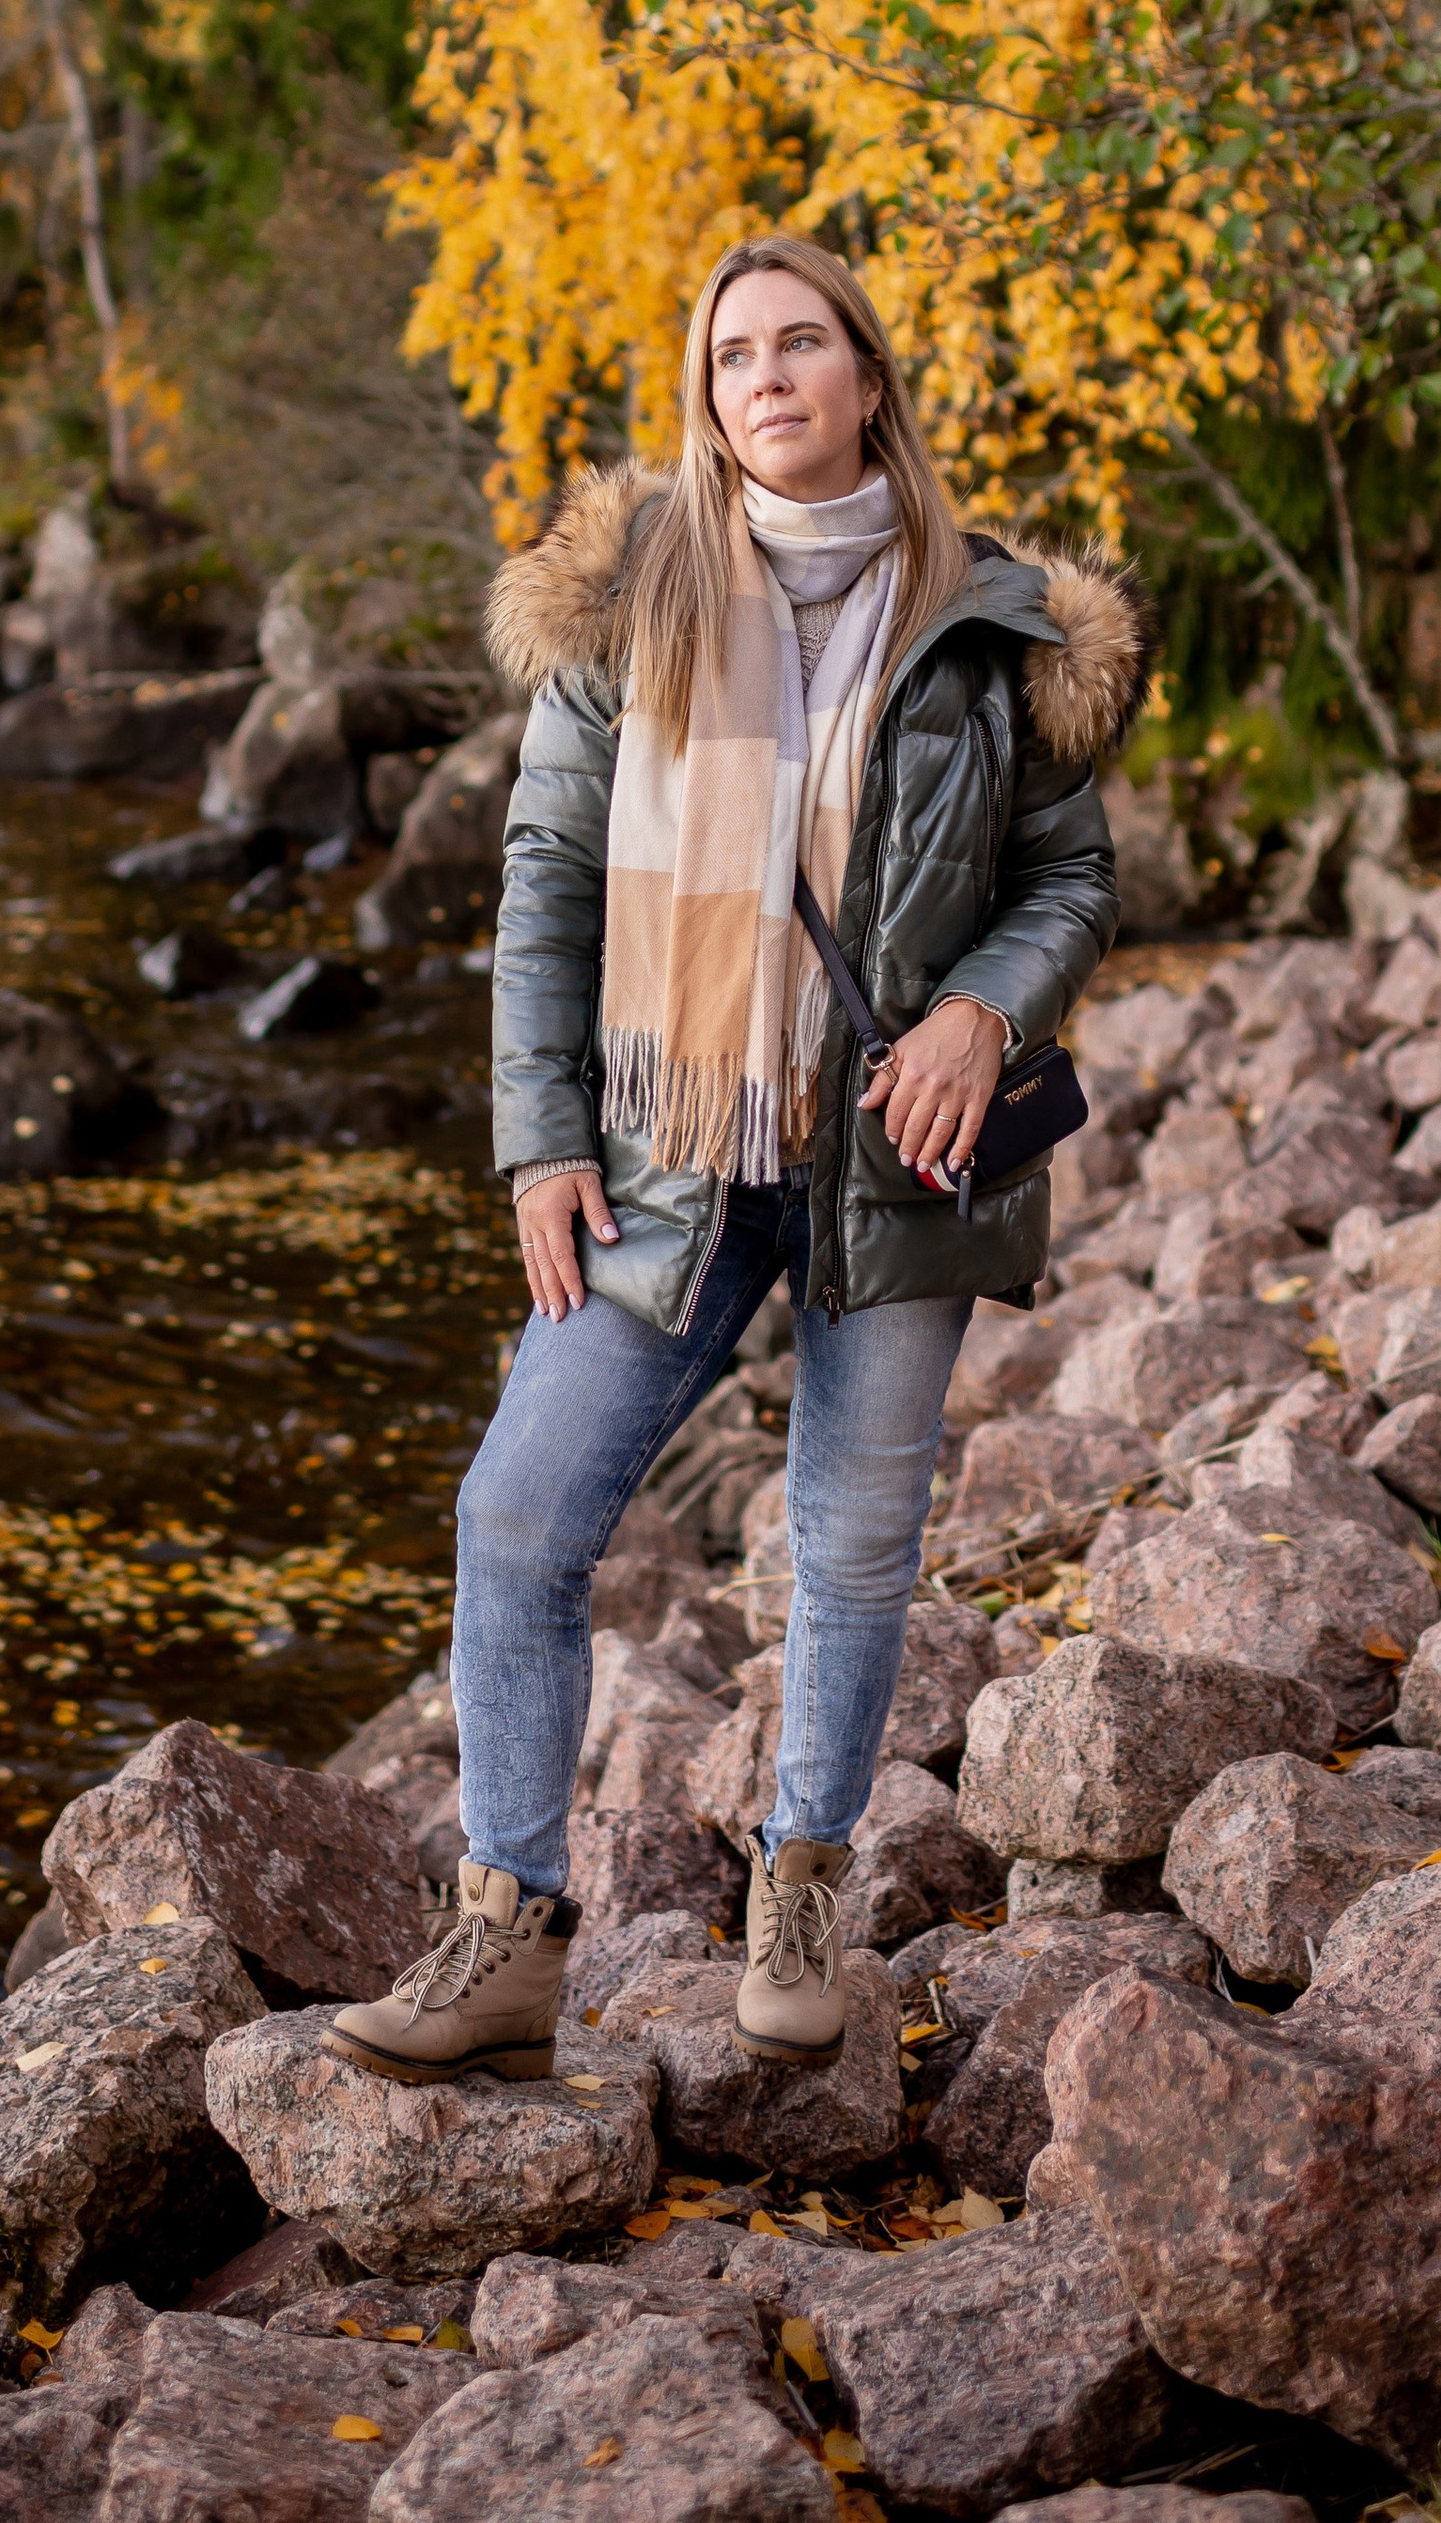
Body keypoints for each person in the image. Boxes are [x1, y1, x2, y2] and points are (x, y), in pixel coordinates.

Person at [324, 233, 1146, 2089]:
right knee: (519, 1519)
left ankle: (802, 1887)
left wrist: (979, 1016)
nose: (763, 378)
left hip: (890, 1147)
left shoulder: (994, 625)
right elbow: (541, 893)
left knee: (851, 1552)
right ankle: (512, 1929)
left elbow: (1069, 880)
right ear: (706, 404)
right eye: (729, 358)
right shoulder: (630, 614)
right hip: (667, 1147)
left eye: (800, 344)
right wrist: (539, 1142)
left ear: (867, 377)